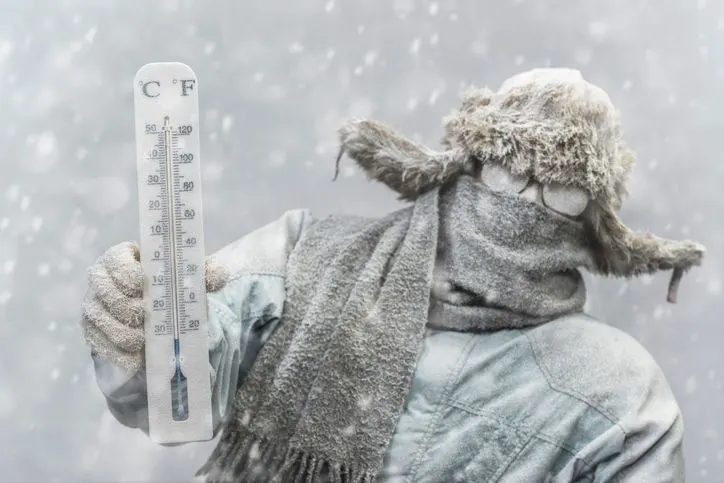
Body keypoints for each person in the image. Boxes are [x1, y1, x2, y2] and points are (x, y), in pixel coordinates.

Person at [81, 68, 705, 482]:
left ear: (593, 219)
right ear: (465, 165)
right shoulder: (307, 256)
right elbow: (180, 388)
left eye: (562, 194)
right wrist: (139, 332)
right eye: (509, 174)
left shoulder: (617, 394)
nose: (526, 203)